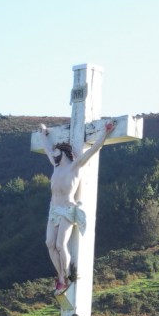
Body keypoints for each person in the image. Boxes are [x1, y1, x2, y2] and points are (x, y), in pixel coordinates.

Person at [38, 120, 116, 294]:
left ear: (64, 153)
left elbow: (93, 150)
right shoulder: (55, 167)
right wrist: (43, 134)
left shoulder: (75, 167)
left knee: (60, 244)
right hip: (54, 210)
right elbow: (46, 148)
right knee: (49, 242)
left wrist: (105, 133)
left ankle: (64, 277)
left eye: (56, 152)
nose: (53, 154)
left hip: (67, 209)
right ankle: (60, 277)